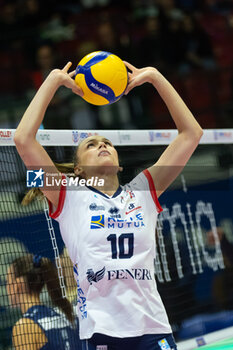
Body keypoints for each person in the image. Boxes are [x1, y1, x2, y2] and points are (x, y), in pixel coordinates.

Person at [14, 60, 203, 350]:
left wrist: (154, 77)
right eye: (91, 145)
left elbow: (192, 133)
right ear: (77, 169)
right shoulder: (67, 194)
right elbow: (23, 139)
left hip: (153, 328)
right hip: (102, 333)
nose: (102, 145)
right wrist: (53, 80)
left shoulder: (144, 189)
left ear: (118, 162)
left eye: (107, 143)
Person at [6, 254, 80, 349]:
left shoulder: (24, 327)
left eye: (7, 282)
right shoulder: (65, 316)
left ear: (17, 285)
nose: (6, 288)